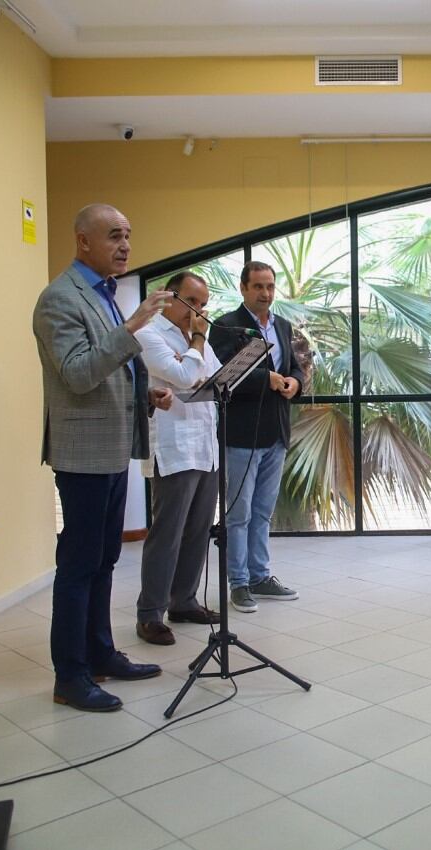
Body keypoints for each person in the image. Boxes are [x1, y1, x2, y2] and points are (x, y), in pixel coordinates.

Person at [33, 203, 171, 712]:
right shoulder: (58, 300)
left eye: (128, 235)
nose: (125, 245)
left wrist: (145, 394)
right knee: (78, 565)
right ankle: (70, 675)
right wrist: (134, 324)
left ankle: (100, 653)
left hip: (114, 446)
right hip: (82, 451)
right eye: (114, 235)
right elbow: (77, 373)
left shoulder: (105, 295)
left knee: (105, 559)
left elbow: (114, 368)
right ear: (82, 241)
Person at [132, 272, 224, 646]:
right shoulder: (149, 333)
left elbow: (214, 376)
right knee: (167, 533)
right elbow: (186, 377)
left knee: (199, 529)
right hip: (173, 446)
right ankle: (149, 613)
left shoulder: (192, 338)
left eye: (203, 304)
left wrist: (193, 354)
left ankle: (183, 601)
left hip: (205, 445)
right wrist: (197, 344)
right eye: (191, 302)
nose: (198, 311)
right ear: (170, 298)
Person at [210, 261, 305, 613]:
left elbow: (293, 366)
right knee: (239, 513)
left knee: (263, 511)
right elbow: (221, 375)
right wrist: (263, 378)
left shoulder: (281, 324)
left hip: (276, 431)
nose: (265, 294)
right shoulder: (225, 325)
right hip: (241, 433)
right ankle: (238, 582)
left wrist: (295, 382)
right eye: (258, 287)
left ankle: (260, 575)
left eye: (270, 287)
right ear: (243, 288)